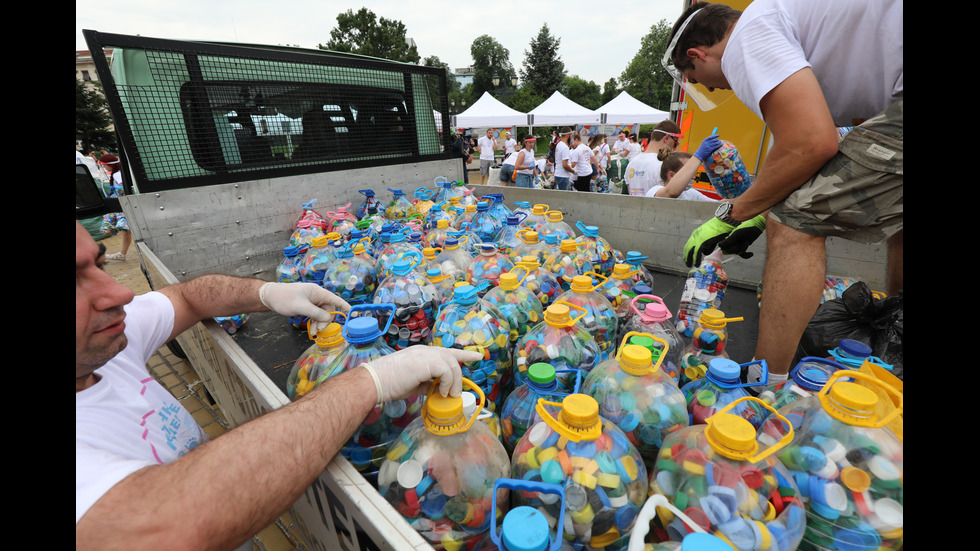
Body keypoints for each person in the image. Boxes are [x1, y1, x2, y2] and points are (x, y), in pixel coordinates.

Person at [76, 221, 481, 549]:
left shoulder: (102, 346)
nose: (120, 291)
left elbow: (188, 296)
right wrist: (369, 382)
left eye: (99, 265)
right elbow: (167, 527)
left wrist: (267, 292)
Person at [666, 0, 902, 384]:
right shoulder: (783, 25)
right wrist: (756, 212)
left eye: (697, 77)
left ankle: (764, 384)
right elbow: (792, 153)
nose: (710, 86)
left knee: (794, 224)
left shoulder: (747, 37)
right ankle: (897, 334)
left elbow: (812, 144)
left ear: (697, 54)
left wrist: (734, 214)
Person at [623, 121, 683, 196]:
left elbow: (631, 193)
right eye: (676, 142)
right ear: (666, 138)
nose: (675, 146)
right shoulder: (663, 165)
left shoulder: (631, 163)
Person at [644, 143, 719, 202]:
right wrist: (698, 156)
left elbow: (716, 204)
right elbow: (671, 193)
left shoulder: (691, 193)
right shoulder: (655, 191)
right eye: (688, 172)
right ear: (671, 175)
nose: (694, 177)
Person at [97, 154, 132, 261]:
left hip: (123, 205)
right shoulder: (118, 173)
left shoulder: (117, 175)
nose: (104, 168)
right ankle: (122, 253)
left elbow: (125, 187)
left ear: (108, 165)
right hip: (123, 204)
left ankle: (122, 253)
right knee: (126, 231)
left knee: (126, 230)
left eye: (104, 165)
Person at [552, 127, 575, 191]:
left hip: (558, 174)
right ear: (568, 135)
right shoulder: (565, 147)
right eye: (571, 135)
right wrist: (573, 171)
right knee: (565, 198)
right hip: (563, 176)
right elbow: (564, 165)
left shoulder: (559, 145)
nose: (571, 137)